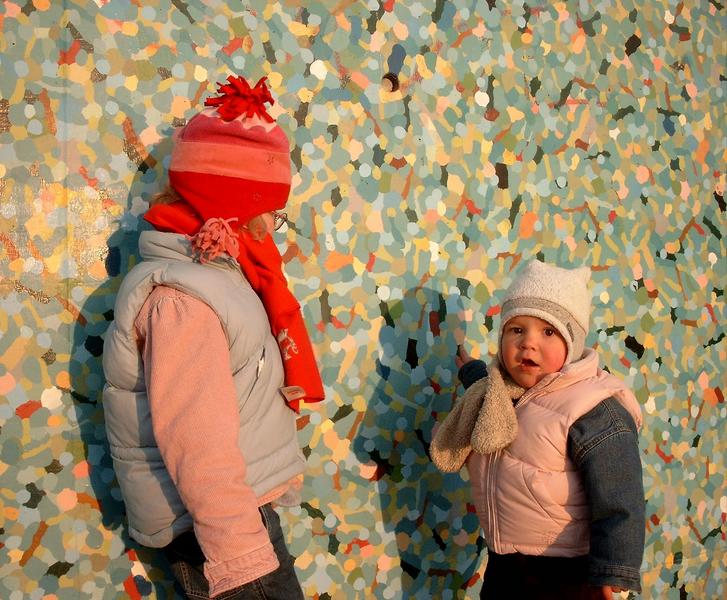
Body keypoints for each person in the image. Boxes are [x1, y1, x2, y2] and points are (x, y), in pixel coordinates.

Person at [102, 75, 324, 599]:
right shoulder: (185, 299)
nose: (271, 224)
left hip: (234, 513)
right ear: (235, 202)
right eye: (268, 208)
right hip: (224, 532)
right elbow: (195, 438)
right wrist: (241, 553)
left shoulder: (218, 276)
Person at [431, 260, 644, 599]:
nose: (528, 343)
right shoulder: (500, 393)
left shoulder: (593, 408)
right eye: (517, 330)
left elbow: (620, 495)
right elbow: (488, 392)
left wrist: (612, 569)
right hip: (504, 567)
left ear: (571, 344)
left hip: (566, 573)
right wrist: (470, 371)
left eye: (547, 332)